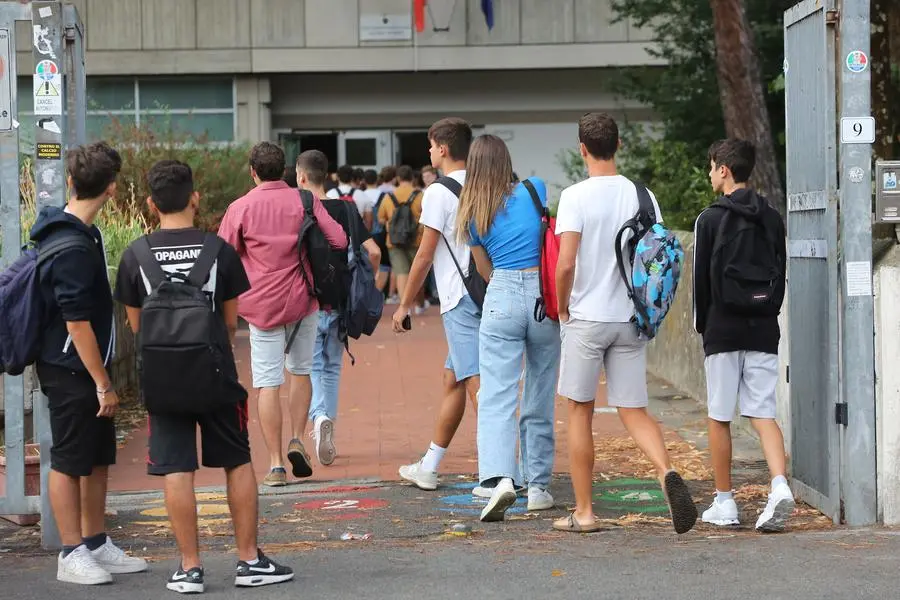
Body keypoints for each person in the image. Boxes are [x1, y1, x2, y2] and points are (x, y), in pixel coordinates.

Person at [115, 160, 293, 593]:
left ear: (150, 204)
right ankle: (249, 561)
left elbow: (136, 326)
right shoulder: (219, 252)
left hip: (163, 380)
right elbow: (232, 323)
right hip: (215, 376)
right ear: (194, 198)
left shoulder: (135, 255)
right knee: (236, 462)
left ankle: (189, 568)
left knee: (176, 467)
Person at [554, 113, 697, 534]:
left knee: (579, 413)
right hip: (632, 318)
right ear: (618, 146)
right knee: (633, 410)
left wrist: (563, 306)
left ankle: (584, 513)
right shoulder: (643, 195)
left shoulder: (575, 197)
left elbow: (566, 264)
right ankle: (666, 471)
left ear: (582, 149)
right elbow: (657, 256)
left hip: (587, 318)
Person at [28, 142, 147, 585]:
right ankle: (70, 552)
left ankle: (96, 542)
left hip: (87, 367)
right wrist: (103, 382)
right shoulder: (71, 243)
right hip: (70, 369)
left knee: (97, 457)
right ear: (112, 188)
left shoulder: (84, 232)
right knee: (69, 459)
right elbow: (77, 323)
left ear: (74, 182)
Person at [218, 142, 348, 487]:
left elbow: (224, 256)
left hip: (259, 306)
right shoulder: (305, 200)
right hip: (303, 299)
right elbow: (338, 239)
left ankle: (275, 465)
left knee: (267, 383)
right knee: (301, 372)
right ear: (286, 171)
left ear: (253, 171)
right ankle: (297, 440)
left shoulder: (240, 207)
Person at [457, 135, 559, 521]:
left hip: (500, 294)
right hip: (541, 298)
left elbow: (484, 270)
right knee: (540, 388)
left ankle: (500, 478)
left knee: (497, 393)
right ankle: (538, 486)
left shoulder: (470, 211)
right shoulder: (535, 189)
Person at [694, 138, 794, 532]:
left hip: (723, 327)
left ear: (724, 169)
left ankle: (725, 503)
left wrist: (705, 329)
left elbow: (702, 284)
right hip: (764, 324)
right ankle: (780, 484)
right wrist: (769, 312)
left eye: (711, 166)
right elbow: (781, 268)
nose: (710, 173)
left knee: (719, 416)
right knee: (763, 412)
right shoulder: (771, 216)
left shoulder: (710, 218)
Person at [392, 118, 480, 491]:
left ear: (443, 149)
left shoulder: (440, 193)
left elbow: (424, 254)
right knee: (454, 378)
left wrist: (403, 305)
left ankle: (505, 469)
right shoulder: (484, 183)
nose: (429, 152)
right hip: (486, 290)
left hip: (459, 297)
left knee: (477, 382)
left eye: (430, 146)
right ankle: (430, 464)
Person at [295, 150, 382, 466]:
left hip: (307, 300)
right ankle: (326, 428)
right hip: (341, 301)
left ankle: (319, 419)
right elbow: (372, 252)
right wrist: (364, 285)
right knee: (331, 366)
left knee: (312, 366)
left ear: (301, 177)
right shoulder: (346, 210)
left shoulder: (299, 209)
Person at [377, 165, 424, 306]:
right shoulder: (420, 195)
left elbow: (381, 218)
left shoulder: (389, 197)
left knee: (401, 272)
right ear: (413, 178)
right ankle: (420, 303)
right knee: (418, 272)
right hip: (416, 239)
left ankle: (405, 306)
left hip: (394, 240)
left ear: (398, 178)